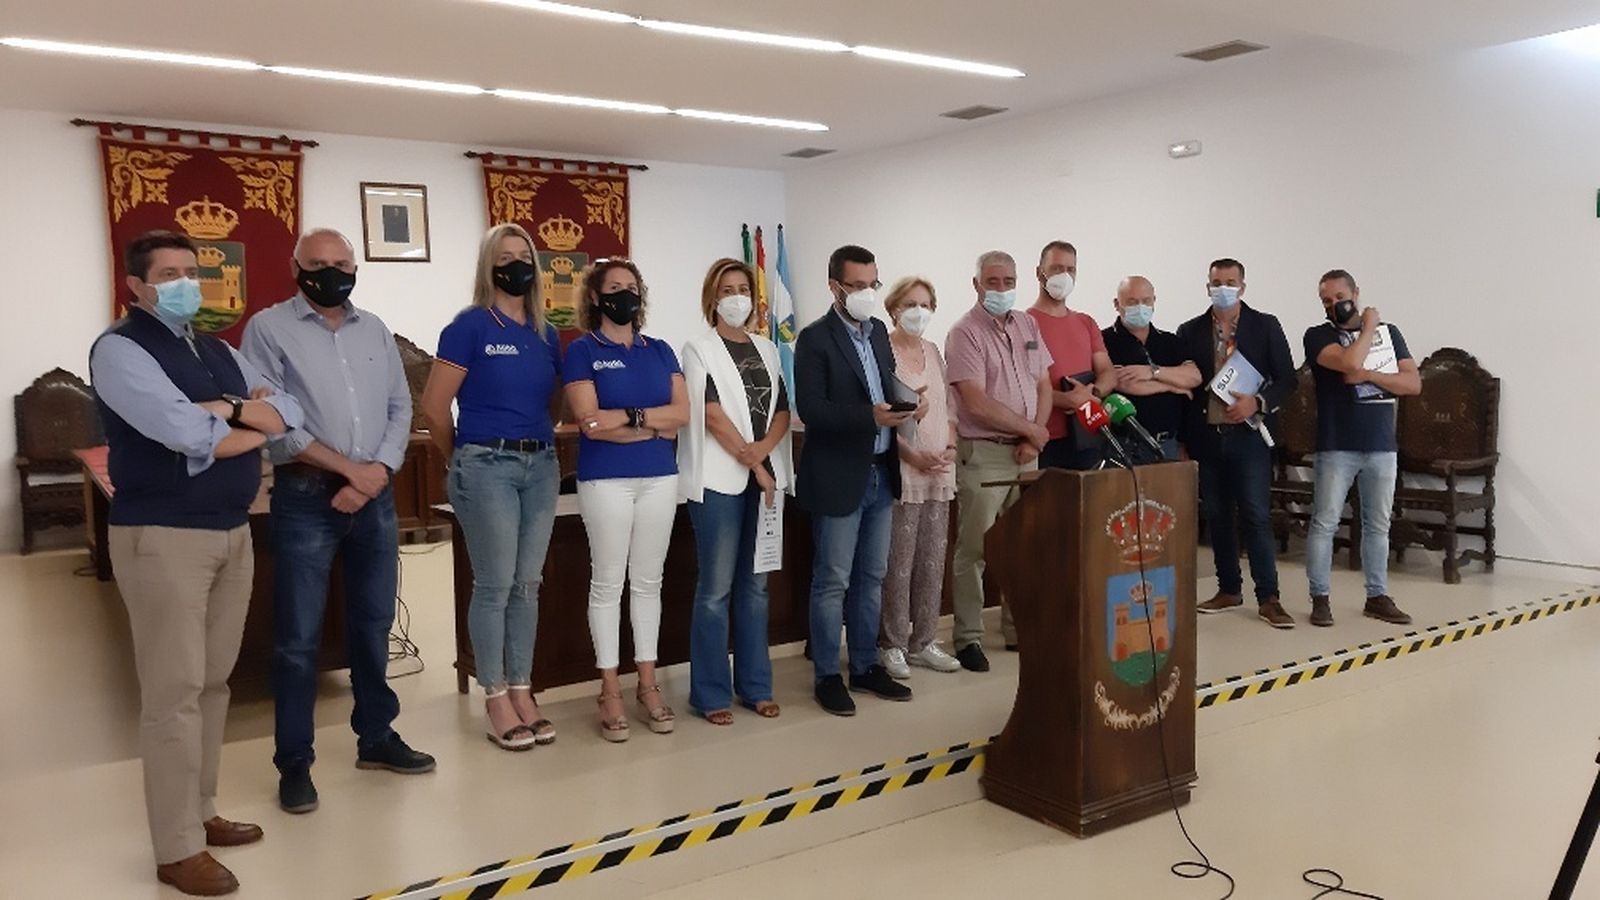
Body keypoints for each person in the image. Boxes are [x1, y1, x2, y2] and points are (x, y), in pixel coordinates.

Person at [90, 230, 303, 896]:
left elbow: (291, 415)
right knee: (173, 694)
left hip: (231, 530)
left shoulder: (216, 350)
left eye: (192, 271)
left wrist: (227, 411)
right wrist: (245, 421)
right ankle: (175, 847)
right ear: (137, 286)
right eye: (169, 273)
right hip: (163, 536)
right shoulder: (120, 348)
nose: (186, 282)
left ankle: (201, 810)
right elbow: (180, 432)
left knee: (213, 686)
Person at [241, 228, 435, 816]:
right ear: (296, 266)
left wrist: (375, 471)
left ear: (356, 267)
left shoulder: (373, 328)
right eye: (319, 264)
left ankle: (376, 737)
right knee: (298, 641)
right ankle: (295, 763)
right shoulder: (268, 329)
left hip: (373, 496)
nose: (332, 272)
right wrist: (350, 470)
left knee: (374, 624)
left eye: (342, 264)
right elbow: (273, 420)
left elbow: (401, 406)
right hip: (305, 497)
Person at [419, 224, 563, 750]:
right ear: (488, 265)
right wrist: (461, 456)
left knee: (528, 584)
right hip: (486, 465)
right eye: (505, 257)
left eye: (525, 256)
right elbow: (434, 408)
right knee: (495, 583)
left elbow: (553, 403)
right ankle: (496, 695)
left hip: (540, 465)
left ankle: (523, 688)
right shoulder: (470, 327)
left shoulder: (546, 333)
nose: (516, 265)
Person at [562, 258, 689, 741]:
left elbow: (681, 415)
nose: (624, 296)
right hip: (605, 481)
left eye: (632, 288)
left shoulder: (659, 350)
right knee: (608, 583)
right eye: (614, 288)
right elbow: (589, 421)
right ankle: (610, 689)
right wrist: (648, 423)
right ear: (595, 297)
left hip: (660, 478)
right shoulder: (582, 351)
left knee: (649, 583)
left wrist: (627, 419)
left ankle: (649, 685)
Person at [793, 244, 917, 715]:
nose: (867, 293)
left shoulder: (880, 332)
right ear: (835, 287)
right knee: (833, 580)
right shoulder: (815, 338)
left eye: (873, 284)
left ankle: (865, 665)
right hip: (838, 475)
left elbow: (885, 386)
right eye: (858, 286)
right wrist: (871, 416)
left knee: (872, 577)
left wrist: (907, 405)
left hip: (881, 473)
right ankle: (827, 674)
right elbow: (813, 410)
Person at [679, 258, 793, 724]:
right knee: (715, 590)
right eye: (726, 289)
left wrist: (765, 454)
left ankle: (755, 687)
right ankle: (710, 695)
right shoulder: (698, 348)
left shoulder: (766, 348)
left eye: (743, 288)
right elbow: (710, 414)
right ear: (712, 297)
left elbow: (783, 409)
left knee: (757, 588)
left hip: (763, 475)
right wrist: (755, 464)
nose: (736, 297)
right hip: (720, 483)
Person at [946, 250, 1054, 668]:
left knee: (1023, 548)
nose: (1002, 289)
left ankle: (1018, 629)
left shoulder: (1027, 323)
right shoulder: (964, 333)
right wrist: (1030, 431)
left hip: (1026, 454)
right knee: (974, 550)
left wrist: (1034, 438)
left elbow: (1043, 382)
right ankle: (968, 638)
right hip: (985, 455)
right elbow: (974, 402)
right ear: (976, 285)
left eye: (1009, 281)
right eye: (993, 282)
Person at [1175, 258, 1297, 629]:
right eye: (1216, 282)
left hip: (1249, 438)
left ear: (1243, 286)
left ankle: (1269, 597)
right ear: (1207, 286)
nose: (1223, 288)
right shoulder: (1190, 330)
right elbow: (1183, 390)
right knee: (1217, 516)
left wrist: (1256, 402)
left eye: (1230, 282)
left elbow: (1287, 379)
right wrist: (1183, 441)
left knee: (1257, 516)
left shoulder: (1265, 325)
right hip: (1206, 439)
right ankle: (1229, 588)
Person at [1303, 269, 1421, 627]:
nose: (1334, 305)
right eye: (1327, 300)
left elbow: (1412, 383)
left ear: (1355, 292)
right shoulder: (1318, 335)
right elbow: (1350, 363)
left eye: (1340, 297)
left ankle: (1377, 595)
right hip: (1337, 445)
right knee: (1325, 522)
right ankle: (1320, 598)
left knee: (1378, 524)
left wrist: (1371, 376)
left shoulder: (1391, 334)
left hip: (1381, 445)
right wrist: (1368, 325)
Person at [878, 277, 961, 678]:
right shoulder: (884, 351)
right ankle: (892, 644)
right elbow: (884, 418)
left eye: (926, 304)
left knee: (933, 559)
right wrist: (912, 455)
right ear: (893, 308)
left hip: (939, 471)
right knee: (900, 562)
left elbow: (947, 407)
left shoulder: (932, 350)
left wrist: (949, 447)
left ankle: (924, 640)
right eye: (910, 303)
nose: (918, 311)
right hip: (904, 470)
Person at [1028, 241, 1116, 470]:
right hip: (1043, 439)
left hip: (1088, 434)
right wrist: (1064, 399)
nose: (1064, 275)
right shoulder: (1023, 324)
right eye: (1057, 268)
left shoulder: (1086, 322)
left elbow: (1107, 371)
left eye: (1071, 269)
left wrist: (1091, 393)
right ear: (1040, 273)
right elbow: (1021, 385)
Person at [1100, 276, 1202, 462]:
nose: (1140, 307)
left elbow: (1194, 377)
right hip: (1124, 447)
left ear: (1154, 301)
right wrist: (1173, 386)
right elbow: (1126, 384)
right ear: (1117, 304)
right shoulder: (1103, 341)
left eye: (1146, 301)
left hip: (1168, 445)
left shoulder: (1170, 341)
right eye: (1132, 302)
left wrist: (1152, 372)